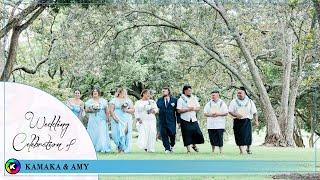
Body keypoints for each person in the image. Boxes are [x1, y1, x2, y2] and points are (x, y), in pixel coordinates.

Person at [229, 86, 259, 155]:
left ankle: (248, 148)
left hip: (246, 121)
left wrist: (256, 121)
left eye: (240, 93)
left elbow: (254, 112)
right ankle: (241, 151)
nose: (238, 94)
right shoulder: (234, 101)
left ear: (245, 93)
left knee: (247, 135)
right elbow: (230, 111)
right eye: (238, 93)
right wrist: (236, 115)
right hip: (237, 121)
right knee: (238, 135)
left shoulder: (250, 101)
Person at [177, 85, 204, 153]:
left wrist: (194, 108)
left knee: (197, 133)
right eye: (189, 91)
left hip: (193, 118)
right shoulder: (181, 99)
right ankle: (188, 150)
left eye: (191, 90)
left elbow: (198, 107)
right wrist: (187, 109)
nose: (190, 92)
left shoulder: (194, 98)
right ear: (185, 91)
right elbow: (179, 110)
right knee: (186, 134)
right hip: (185, 119)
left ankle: (194, 145)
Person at [85, 87, 111, 152]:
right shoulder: (89, 101)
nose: (95, 92)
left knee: (101, 132)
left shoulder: (103, 101)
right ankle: (93, 147)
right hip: (93, 119)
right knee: (93, 133)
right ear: (92, 93)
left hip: (102, 119)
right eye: (94, 92)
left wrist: (108, 118)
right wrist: (92, 110)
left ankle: (102, 147)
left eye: (96, 91)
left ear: (98, 93)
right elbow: (86, 110)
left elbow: (107, 110)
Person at [109, 88, 135, 153]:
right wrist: (115, 118)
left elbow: (133, 110)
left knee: (125, 132)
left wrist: (126, 110)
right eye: (123, 92)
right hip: (117, 117)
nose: (124, 94)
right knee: (116, 134)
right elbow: (111, 110)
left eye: (125, 92)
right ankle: (118, 145)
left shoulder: (128, 100)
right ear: (119, 93)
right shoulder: (114, 100)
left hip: (126, 118)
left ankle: (123, 148)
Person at [203, 90, 228, 154]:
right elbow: (205, 113)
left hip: (220, 124)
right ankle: (213, 150)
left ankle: (221, 150)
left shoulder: (222, 103)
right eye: (212, 95)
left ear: (218, 95)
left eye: (214, 95)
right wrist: (211, 115)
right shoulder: (209, 103)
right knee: (212, 137)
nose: (212, 96)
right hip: (211, 124)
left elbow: (226, 113)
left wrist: (218, 114)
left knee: (220, 137)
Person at [156, 87, 179, 153]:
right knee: (164, 135)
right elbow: (157, 109)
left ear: (168, 92)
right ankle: (167, 148)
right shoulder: (159, 100)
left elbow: (177, 112)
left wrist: (179, 121)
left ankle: (172, 145)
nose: (163, 92)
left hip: (171, 121)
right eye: (162, 91)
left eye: (164, 91)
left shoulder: (174, 100)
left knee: (172, 134)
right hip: (162, 121)